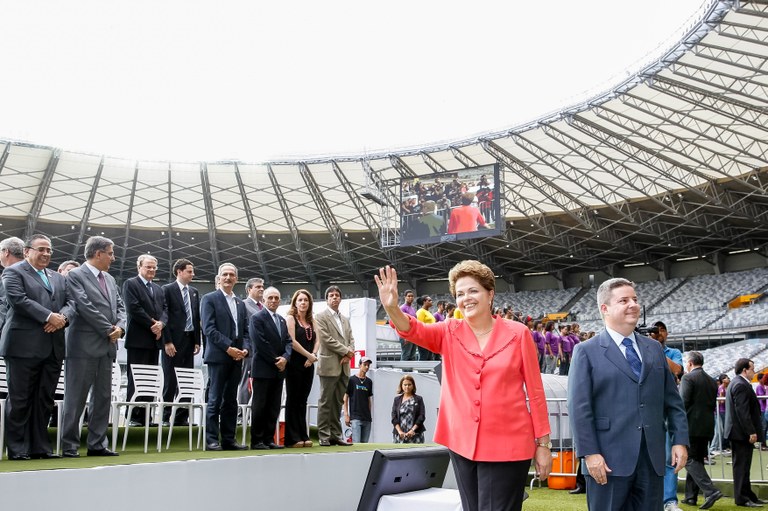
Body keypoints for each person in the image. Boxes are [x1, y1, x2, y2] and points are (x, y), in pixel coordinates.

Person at [376, 261, 551, 511]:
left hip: (508, 444)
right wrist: (392, 308)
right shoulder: (449, 330)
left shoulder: (518, 333)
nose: (465, 298)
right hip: (462, 444)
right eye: (459, 294)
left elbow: (535, 393)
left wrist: (543, 445)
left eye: (472, 291)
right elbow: (412, 330)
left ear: (490, 294)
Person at [568, 277, 688, 511]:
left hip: (651, 460)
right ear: (605, 309)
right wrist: (590, 454)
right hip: (607, 460)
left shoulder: (654, 348)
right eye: (623, 300)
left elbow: (673, 401)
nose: (633, 304)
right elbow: (579, 408)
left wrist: (680, 440)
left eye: (634, 299)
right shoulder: (586, 351)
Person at [0, 234, 74, 460]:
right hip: (23, 346)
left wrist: (61, 318)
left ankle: (40, 447)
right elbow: (18, 300)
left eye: (49, 250)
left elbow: (72, 303)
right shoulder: (13, 272)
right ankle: (17, 448)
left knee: (44, 400)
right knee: (20, 399)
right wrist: (49, 317)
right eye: (41, 249)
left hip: (52, 347)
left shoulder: (58, 277)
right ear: (26, 252)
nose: (46, 254)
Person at [61, 236, 126, 457]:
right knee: (75, 398)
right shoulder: (75, 275)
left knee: (103, 398)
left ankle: (97, 444)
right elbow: (83, 305)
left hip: (107, 348)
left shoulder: (109, 279)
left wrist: (120, 328)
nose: (113, 257)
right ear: (98, 254)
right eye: (110, 253)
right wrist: (110, 330)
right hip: (82, 347)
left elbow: (120, 308)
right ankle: (69, 445)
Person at [200, 263, 250, 451]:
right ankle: (212, 440)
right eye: (225, 275)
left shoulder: (240, 303)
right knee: (215, 399)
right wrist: (228, 348)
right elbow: (209, 329)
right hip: (219, 356)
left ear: (236, 279)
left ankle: (229, 439)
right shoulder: (209, 299)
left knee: (231, 400)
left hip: (237, 357)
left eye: (232, 275)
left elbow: (245, 331)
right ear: (218, 278)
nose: (228, 278)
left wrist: (244, 349)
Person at [122, 254, 167, 426]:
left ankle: (146, 417)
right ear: (139, 266)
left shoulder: (158, 288)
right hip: (138, 340)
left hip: (154, 341)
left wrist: (161, 324)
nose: (152, 270)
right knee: (136, 379)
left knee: (150, 379)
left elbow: (164, 309)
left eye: (154, 267)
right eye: (148, 266)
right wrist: (153, 325)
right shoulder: (131, 284)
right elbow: (134, 308)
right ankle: (133, 416)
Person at [248, 286, 292, 450]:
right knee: (260, 405)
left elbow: (288, 341)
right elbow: (260, 342)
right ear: (264, 300)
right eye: (270, 298)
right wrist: (276, 360)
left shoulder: (281, 319)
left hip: (279, 371)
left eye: (276, 298)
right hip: (263, 369)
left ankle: (268, 439)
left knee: (274, 406)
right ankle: (257, 440)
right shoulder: (257, 318)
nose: (273, 301)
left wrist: (285, 358)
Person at [679, 351, 722, 509]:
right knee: (696, 460)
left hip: (691, 426)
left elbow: (682, 403)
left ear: (690, 363)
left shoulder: (688, 377)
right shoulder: (711, 380)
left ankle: (710, 491)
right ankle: (691, 497)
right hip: (707, 427)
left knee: (689, 459)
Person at [161, 258, 201, 425]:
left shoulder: (194, 292)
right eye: (189, 271)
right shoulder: (167, 290)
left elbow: (196, 316)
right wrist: (167, 342)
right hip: (173, 342)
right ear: (179, 271)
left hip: (189, 340)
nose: (193, 274)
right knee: (170, 380)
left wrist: (197, 341)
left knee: (187, 379)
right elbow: (164, 317)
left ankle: (182, 417)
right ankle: (165, 416)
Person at [315, 285, 355, 447]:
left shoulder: (345, 319)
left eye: (337, 295)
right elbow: (326, 339)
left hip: (344, 365)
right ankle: (324, 435)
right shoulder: (320, 317)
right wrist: (346, 352)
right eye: (331, 295)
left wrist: (349, 353)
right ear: (327, 299)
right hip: (329, 364)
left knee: (338, 401)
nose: (334, 298)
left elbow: (351, 338)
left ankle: (336, 434)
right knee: (326, 401)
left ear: (340, 298)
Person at [725, 358, 766, 507]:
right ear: (744, 370)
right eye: (752, 369)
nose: (754, 372)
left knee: (744, 466)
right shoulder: (740, 385)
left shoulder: (738, 383)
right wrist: (751, 431)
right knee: (742, 467)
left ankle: (748, 495)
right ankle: (742, 498)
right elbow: (742, 411)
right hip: (740, 433)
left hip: (739, 432)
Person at [284, 289, 319, 448]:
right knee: (293, 399)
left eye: (306, 300)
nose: (303, 302)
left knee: (303, 400)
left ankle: (303, 435)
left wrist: (313, 355)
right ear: (295, 302)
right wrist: (308, 355)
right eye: (300, 300)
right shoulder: (291, 318)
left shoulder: (313, 320)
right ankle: (292, 437)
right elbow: (292, 341)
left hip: (308, 364)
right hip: (295, 363)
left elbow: (318, 340)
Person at [239, 277, 265, 413]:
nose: (261, 289)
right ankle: (241, 413)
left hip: (263, 353)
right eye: (258, 287)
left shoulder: (263, 306)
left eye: (262, 286)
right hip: (250, 352)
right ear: (249, 289)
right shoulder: (244, 305)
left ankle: (253, 414)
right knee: (246, 382)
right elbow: (242, 328)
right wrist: (246, 348)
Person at [344, 356, 373, 443]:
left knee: (365, 444)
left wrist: (369, 415)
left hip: (366, 418)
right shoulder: (352, 380)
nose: (367, 367)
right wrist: (346, 414)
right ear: (360, 365)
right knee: (357, 444)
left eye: (368, 365)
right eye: (365, 365)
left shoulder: (369, 382)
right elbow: (345, 398)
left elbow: (369, 399)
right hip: (356, 417)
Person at [0, 236, 25, 334]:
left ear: (6, 252)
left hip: (9, 332)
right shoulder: (36, 273)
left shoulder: (9, 273)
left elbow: (2, 304)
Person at [390, 374, 425, 444]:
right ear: (401, 386)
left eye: (409, 384)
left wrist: (412, 430)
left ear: (413, 385)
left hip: (415, 434)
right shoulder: (397, 399)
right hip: (399, 435)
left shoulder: (418, 399)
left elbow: (421, 416)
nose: (407, 387)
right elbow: (393, 417)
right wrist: (399, 431)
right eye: (405, 385)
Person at [415, 295, 436, 361]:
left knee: (429, 357)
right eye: (429, 300)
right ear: (424, 302)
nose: (431, 302)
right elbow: (419, 325)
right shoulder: (420, 312)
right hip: (424, 338)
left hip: (430, 338)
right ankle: (422, 371)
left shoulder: (428, 312)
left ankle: (427, 371)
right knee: (424, 356)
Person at [399, 289, 418, 361]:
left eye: (412, 296)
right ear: (405, 297)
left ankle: (410, 372)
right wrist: (405, 336)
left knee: (412, 355)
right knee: (406, 354)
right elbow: (401, 322)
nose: (411, 298)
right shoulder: (402, 308)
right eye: (409, 296)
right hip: (406, 335)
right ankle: (404, 372)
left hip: (413, 335)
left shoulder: (412, 309)